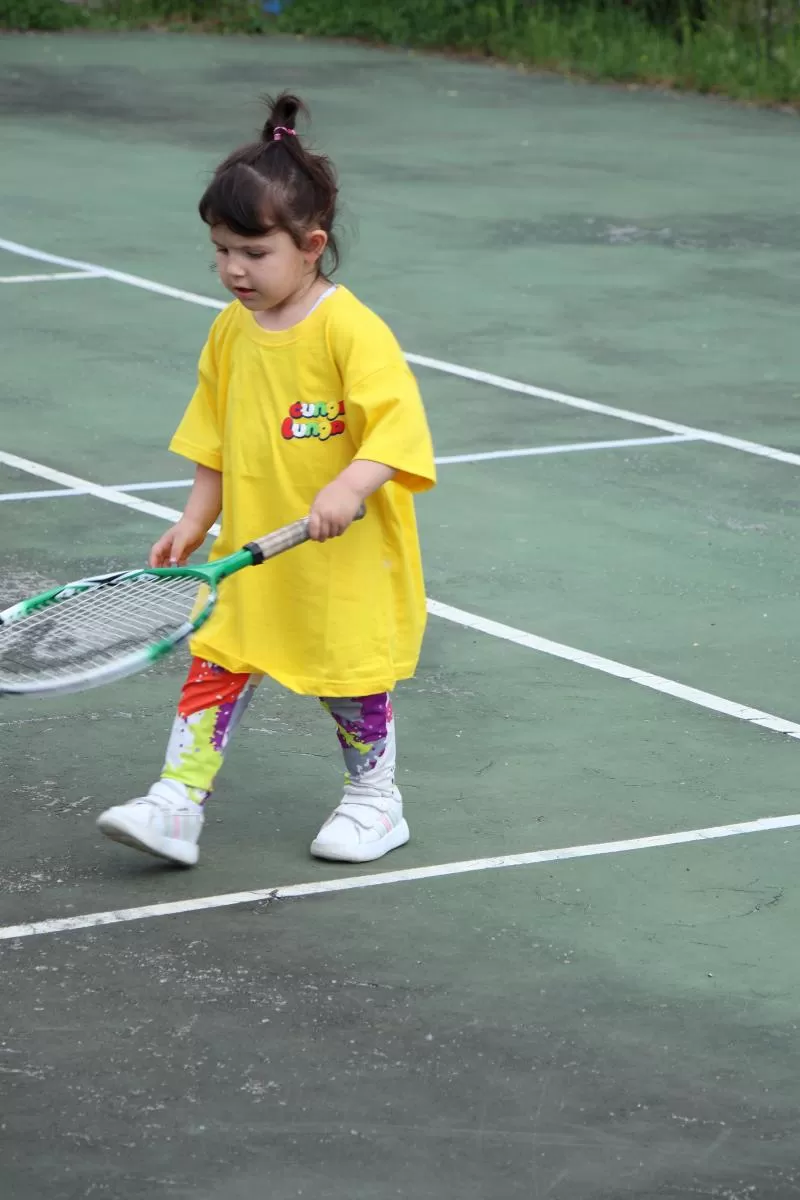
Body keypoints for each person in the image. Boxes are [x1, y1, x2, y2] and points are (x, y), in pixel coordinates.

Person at [96, 92, 436, 868]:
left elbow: (398, 430)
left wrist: (349, 486)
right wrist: (195, 517)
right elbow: (214, 436)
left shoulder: (351, 329)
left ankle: (375, 801)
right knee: (216, 665)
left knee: (350, 682)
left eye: (253, 252)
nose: (233, 269)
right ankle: (176, 802)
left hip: (342, 564)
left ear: (311, 246)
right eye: (221, 250)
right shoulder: (230, 330)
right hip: (251, 553)